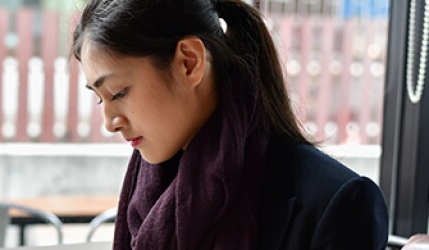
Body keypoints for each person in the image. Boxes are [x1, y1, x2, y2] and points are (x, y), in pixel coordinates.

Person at [71, 0, 388, 249]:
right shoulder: (148, 197)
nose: (109, 123)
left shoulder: (338, 204)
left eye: (119, 92)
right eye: (101, 98)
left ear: (189, 62)